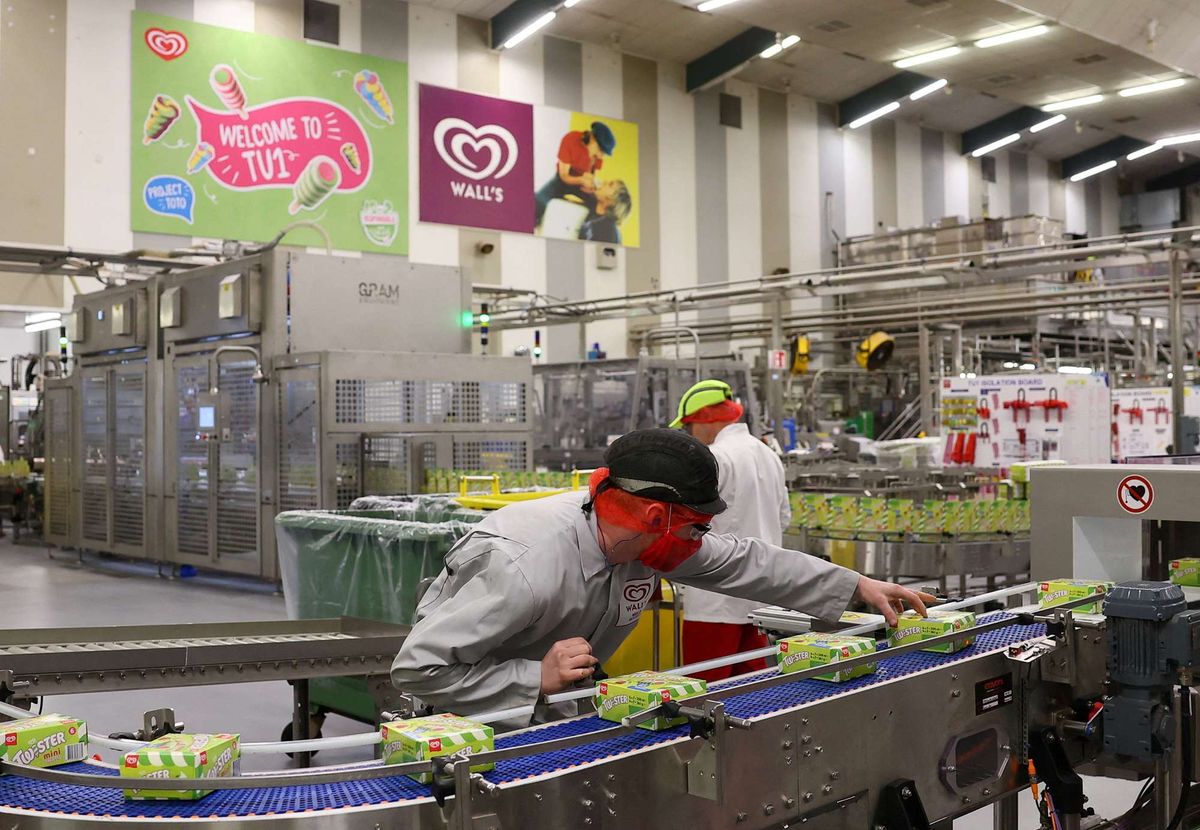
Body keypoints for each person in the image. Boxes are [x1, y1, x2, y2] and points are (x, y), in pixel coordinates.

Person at [391, 428, 931, 730]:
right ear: (655, 518)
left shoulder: (640, 544)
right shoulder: (524, 568)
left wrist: (856, 585)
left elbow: (744, 560)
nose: (705, 537)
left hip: (555, 723)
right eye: (698, 525)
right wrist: (534, 678)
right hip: (472, 734)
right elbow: (418, 669)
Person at [668, 380, 788, 682]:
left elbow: (687, 527)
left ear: (705, 419)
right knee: (752, 694)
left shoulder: (715, 459)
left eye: (689, 426)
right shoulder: (769, 455)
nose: (689, 435)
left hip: (714, 600)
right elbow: (784, 518)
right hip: (760, 594)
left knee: (706, 694)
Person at [534, 121, 615, 227]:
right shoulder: (571, 140)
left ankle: (586, 230)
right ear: (593, 139)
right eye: (601, 151)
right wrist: (581, 180)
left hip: (581, 185)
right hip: (562, 181)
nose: (601, 156)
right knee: (539, 201)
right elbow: (564, 176)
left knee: (599, 208)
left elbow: (591, 175)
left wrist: (591, 186)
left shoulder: (597, 157)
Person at [579, 179, 632, 244]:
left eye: (610, 185)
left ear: (613, 201)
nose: (604, 182)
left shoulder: (607, 231)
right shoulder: (595, 210)